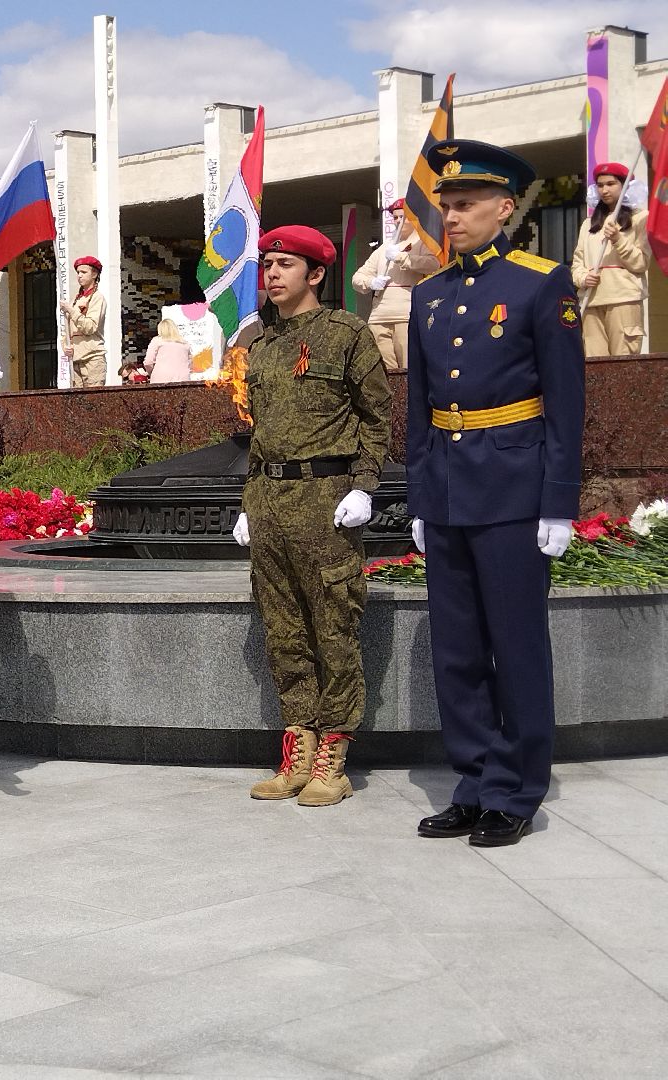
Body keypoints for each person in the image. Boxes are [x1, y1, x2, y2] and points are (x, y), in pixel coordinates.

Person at [409, 140, 586, 847]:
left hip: (514, 485)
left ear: (504, 207)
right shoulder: (428, 294)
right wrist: (421, 497)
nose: (451, 217)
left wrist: (559, 501)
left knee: (515, 646)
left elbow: (567, 402)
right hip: (449, 491)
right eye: (445, 206)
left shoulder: (542, 284)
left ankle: (517, 789)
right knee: (456, 650)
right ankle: (476, 780)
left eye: (465, 205)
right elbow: (420, 407)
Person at [234, 226, 392, 807]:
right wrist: (249, 501)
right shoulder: (262, 343)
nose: (272, 274)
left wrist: (365, 486)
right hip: (271, 501)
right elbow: (259, 433)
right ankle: (298, 744)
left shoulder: (345, 334)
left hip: (327, 500)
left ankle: (334, 753)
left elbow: (377, 415)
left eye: (285, 264)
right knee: (284, 632)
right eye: (268, 264)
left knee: (333, 627)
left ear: (316, 273)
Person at [351, 199, 442, 371]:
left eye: (404, 217)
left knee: (410, 367)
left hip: (405, 314)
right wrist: (372, 282)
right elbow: (357, 278)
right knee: (384, 370)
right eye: (396, 217)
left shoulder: (421, 242)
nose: (399, 221)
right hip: (378, 316)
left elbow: (433, 264)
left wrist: (403, 258)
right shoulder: (384, 248)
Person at [570, 161, 649, 356]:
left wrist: (617, 239)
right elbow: (577, 263)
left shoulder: (640, 218)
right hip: (591, 300)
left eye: (611, 184)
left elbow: (640, 263)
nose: (604, 190)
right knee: (595, 366)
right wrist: (582, 278)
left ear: (624, 186)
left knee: (624, 364)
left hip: (623, 298)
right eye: (600, 185)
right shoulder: (588, 224)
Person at [59, 255, 107, 387]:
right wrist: (65, 346)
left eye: (84, 272)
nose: (79, 275)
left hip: (92, 359)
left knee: (94, 402)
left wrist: (71, 310)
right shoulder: (76, 299)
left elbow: (90, 327)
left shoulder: (97, 298)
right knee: (78, 403)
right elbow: (68, 331)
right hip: (75, 358)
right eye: (78, 272)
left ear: (94, 274)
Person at [143, 319, 196, 384]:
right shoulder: (185, 344)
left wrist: (151, 373)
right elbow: (191, 365)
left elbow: (148, 362)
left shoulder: (157, 340)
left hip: (160, 379)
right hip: (183, 380)